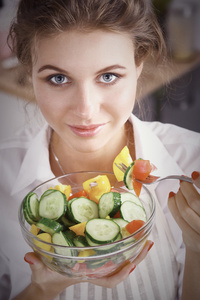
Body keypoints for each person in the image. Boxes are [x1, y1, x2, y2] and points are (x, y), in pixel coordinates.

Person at [0, 0, 200, 299]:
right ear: (30, 73)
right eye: (58, 78)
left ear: (139, 65)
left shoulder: (191, 158)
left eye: (108, 77)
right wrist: (43, 288)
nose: (85, 110)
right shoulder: (3, 171)